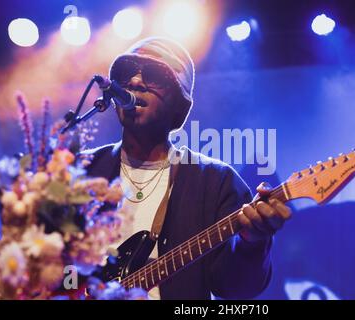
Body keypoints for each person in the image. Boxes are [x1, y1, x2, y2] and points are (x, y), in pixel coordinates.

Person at [84, 37, 291, 300]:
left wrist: (252, 243)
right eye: (126, 74)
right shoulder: (80, 170)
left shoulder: (216, 181)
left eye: (154, 75)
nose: (135, 82)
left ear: (178, 105)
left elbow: (237, 289)